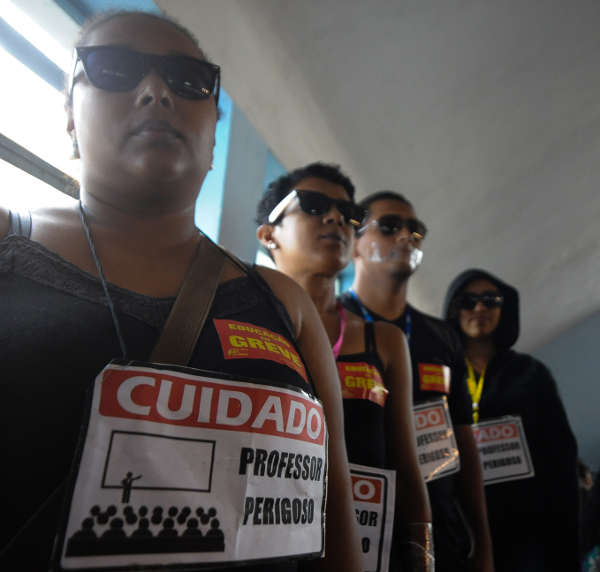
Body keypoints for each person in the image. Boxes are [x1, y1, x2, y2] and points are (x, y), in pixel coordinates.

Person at [0, 11, 362, 571]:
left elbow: (336, 529)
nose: (156, 91)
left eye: (187, 81)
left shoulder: (281, 302)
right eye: (114, 68)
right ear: (69, 115)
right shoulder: (7, 243)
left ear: (214, 134)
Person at [255, 163, 433, 569]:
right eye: (314, 205)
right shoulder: (242, 325)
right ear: (268, 235)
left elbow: (406, 465)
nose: (335, 217)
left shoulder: (384, 341)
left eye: (348, 213)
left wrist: (424, 557)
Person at [341, 191, 494, 572]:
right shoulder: (328, 323)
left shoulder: (441, 336)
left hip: (439, 525)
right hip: (355, 524)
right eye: (391, 226)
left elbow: (464, 439)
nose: (407, 236)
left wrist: (483, 540)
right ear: (355, 242)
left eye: (416, 230)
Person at [443, 268, 579, 571]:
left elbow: (560, 458)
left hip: (528, 530)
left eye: (490, 300)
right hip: (460, 529)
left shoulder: (530, 373)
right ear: (453, 309)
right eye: (468, 300)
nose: (479, 308)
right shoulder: (439, 376)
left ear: (505, 309)